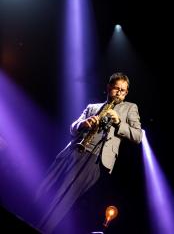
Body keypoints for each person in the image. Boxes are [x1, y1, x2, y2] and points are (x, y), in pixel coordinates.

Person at [34, 72, 143, 234]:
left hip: (94, 159)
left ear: (126, 92)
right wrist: (83, 124)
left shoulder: (130, 108)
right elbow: (73, 127)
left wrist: (119, 121)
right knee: (46, 186)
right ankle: (30, 216)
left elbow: (138, 136)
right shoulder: (92, 107)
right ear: (108, 88)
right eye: (116, 88)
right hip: (72, 150)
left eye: (123, 90)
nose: (119, 93)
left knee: (65, 197)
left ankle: (42, 229)